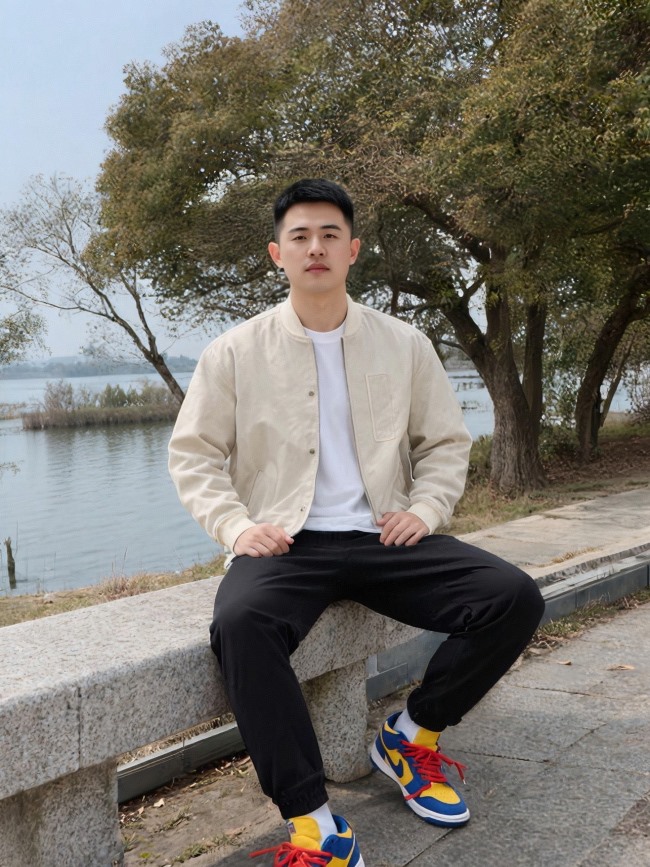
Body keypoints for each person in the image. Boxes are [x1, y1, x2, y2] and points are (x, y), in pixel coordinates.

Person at [168, 178, 545, 866]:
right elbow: (194, 455)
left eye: (330, 235)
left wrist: (425, 510)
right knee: (241, 625)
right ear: (277, 253)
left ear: (353, 250)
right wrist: (235, 527)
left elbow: (444, 444)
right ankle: (312, 820)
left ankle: (411, 735)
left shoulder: (403, 343)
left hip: (383, 535)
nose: (315, 247)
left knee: (513, 597)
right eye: (300, 236)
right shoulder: (235, 351)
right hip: (284, 544)